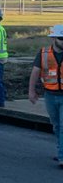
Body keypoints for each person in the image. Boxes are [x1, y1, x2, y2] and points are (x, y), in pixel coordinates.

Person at [28, 25, 63, 168]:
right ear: (54, 38)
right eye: (62, 38)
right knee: (56, 126)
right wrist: (31, 91)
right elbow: (35, 72)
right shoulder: (43, 54)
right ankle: (61, 149)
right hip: (50, 95)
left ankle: (62, 156)